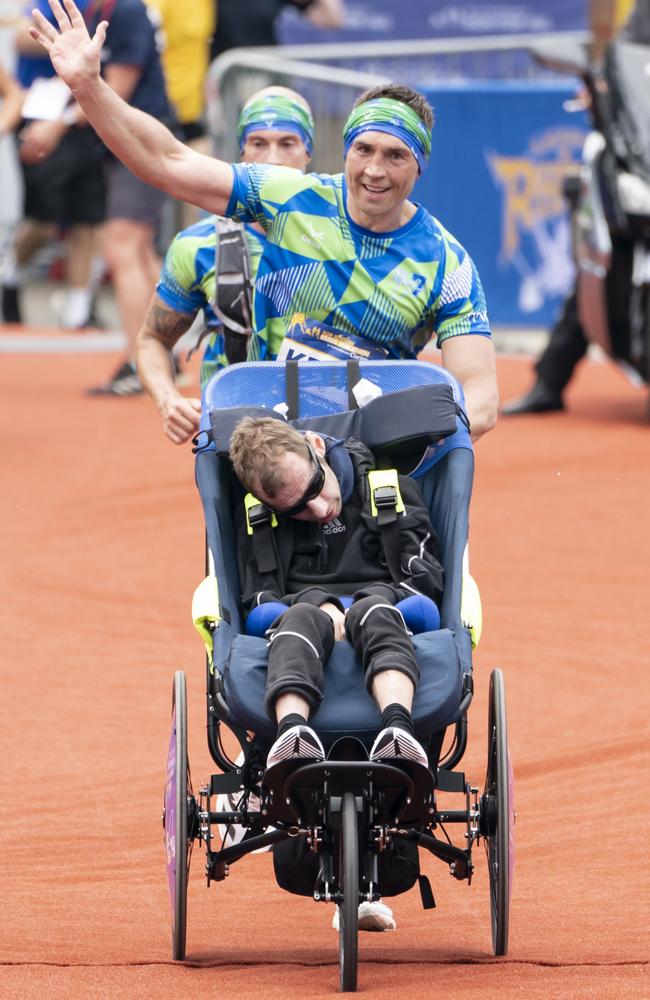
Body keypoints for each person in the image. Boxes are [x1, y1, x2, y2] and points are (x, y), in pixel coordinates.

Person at [29, 0, 498, 439]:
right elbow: (166, 161)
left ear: (421, 164)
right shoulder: (284, 197)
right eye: (364, 151)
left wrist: (398, 433)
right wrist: (89, 87)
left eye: (396, 156)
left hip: (374, 451)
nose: (375, 170)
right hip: (264, 443)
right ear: (345, 150)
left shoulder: (446, 261)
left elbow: (480, 401)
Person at [229, 416, 444, 770]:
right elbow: (258, 600)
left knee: (375, 611)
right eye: (294, 509)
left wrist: (357, 604)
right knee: (302, 617)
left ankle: (398, 728)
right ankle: (291, 735)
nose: (318, 510)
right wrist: (319, 604)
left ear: (317, 446)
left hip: (386, 608)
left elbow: (425, 579)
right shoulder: (260, 523)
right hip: (299, 622)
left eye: (314, 487)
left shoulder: (389, 492)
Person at [135, 85, 315, 445]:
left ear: (308, 152)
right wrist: (168, 401)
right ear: (242, 153)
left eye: (288, 143)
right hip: (234, 431)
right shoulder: (200, 245)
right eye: (259, 143)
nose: (273, 159)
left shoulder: (343, 232)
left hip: (327, 424)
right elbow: (152, 340)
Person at [502, 0, 650, 416]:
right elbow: (624, 64)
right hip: (645, 156)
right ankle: (550, 380)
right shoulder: (646, 15)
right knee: (600, 259)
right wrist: (600, 86)